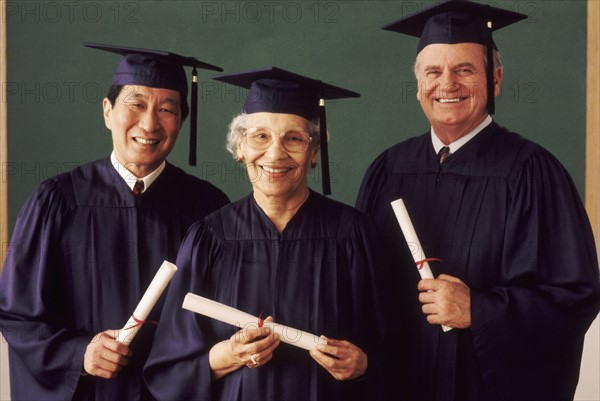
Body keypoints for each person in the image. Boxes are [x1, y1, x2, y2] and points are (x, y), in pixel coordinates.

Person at [355, 1, 600, 401]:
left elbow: (574, 296)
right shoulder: (388, 170)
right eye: (433, 72)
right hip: (399, 383)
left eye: (465, 70)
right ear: (418, 85)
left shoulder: (532, 173)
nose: (446, 84)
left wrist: (480, 310)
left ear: (496, 79)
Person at [0, 43, 229, 401]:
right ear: (107, 112)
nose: (150, 123)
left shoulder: (207, 207)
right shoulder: (57, 201)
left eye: (167, 109)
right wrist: (79, 353)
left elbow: (221, 318)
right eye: (135, 104)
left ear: (182, 121)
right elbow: (18, 316)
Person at [144, 67, 387, 400]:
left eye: (293, 138)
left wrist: (362, 365)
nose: (275, 153)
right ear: (240, 146)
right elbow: (168, 371)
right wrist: (229, 354)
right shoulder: (210, 238)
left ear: (314, 151)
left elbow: (396, 352)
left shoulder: (352, 236)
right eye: (260, 136)